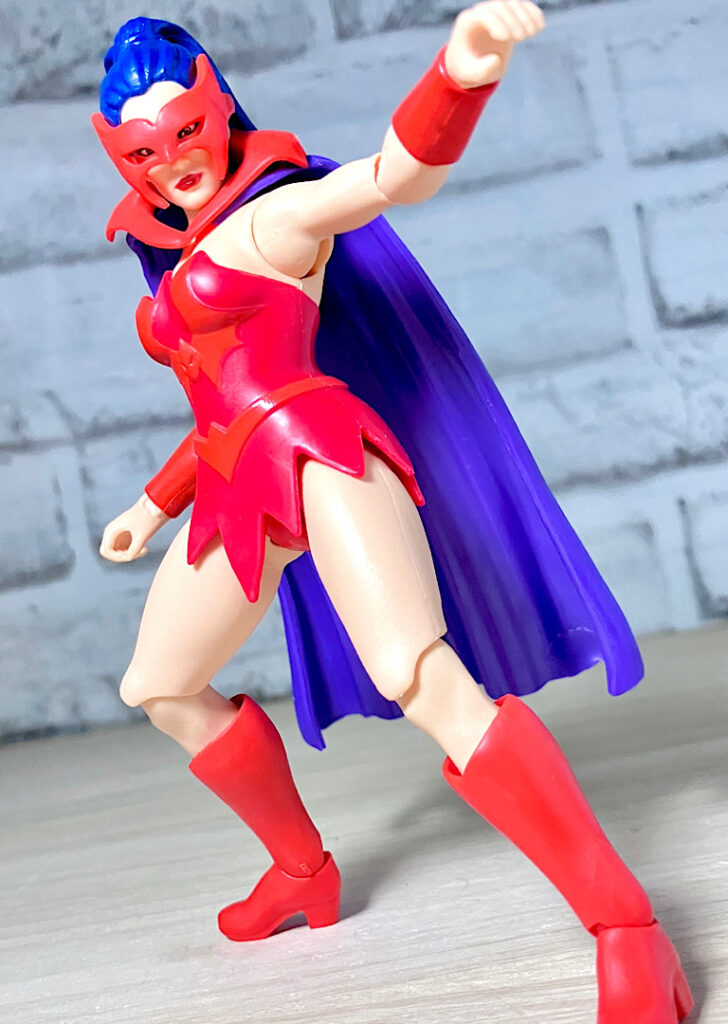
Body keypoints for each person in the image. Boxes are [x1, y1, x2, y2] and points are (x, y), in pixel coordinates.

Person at [92, 7, 692, 1019]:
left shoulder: (277, 219)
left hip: (323, 457)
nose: (172, 160)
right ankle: (302, 872)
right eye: (143, 150)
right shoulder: (173, 249)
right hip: (239, 483)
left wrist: (459, 73)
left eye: (185, 130)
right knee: (160, 684)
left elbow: (394, 175)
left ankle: (626, 926)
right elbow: (218, 403)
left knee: (420, 677)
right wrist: (151, 507)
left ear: (219, 110)